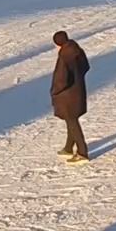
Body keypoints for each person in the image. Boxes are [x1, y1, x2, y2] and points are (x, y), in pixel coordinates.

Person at [50, 30, 91, 164]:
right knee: (70, 119)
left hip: (67, 95)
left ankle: (82, 152)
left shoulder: (64, 56)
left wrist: (55, 91)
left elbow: (61, 79)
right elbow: (86, 66)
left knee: (72, 121)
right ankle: (68, 148)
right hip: (78, 90)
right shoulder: (76, 49)